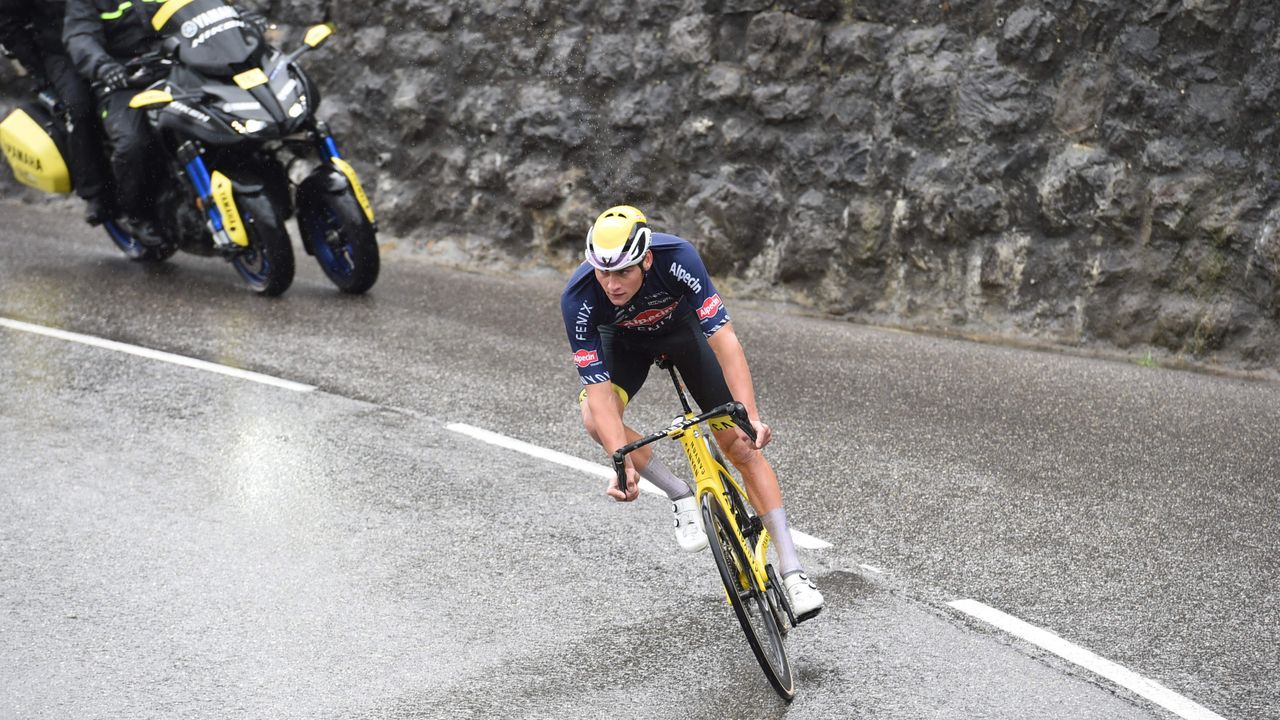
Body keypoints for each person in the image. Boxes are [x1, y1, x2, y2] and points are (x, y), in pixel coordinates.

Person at [559, 204, 825, 620]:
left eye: (623, 272)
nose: (611, 285)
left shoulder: (678, 257)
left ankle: (793, 573)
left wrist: (749, 415)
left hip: (683, 334)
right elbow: (598, 391)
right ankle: (679, 495)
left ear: (646, 259)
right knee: (592, 416)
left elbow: (724, 339)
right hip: (623, 346)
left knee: (740, 445)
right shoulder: (578, 297)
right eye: (603, 272)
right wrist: (621, 458)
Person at [0, 0, 112, 223]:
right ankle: (95, 192)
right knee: (79, 107)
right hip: (62, 51)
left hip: (121, 37)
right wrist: (37, 69)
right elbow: (8, 22)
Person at [62, 0, 164, 240]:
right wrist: (103, 66)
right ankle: (137, 214)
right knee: (132, 143)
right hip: (123, 78)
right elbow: (79, 35)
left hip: (174, 63)